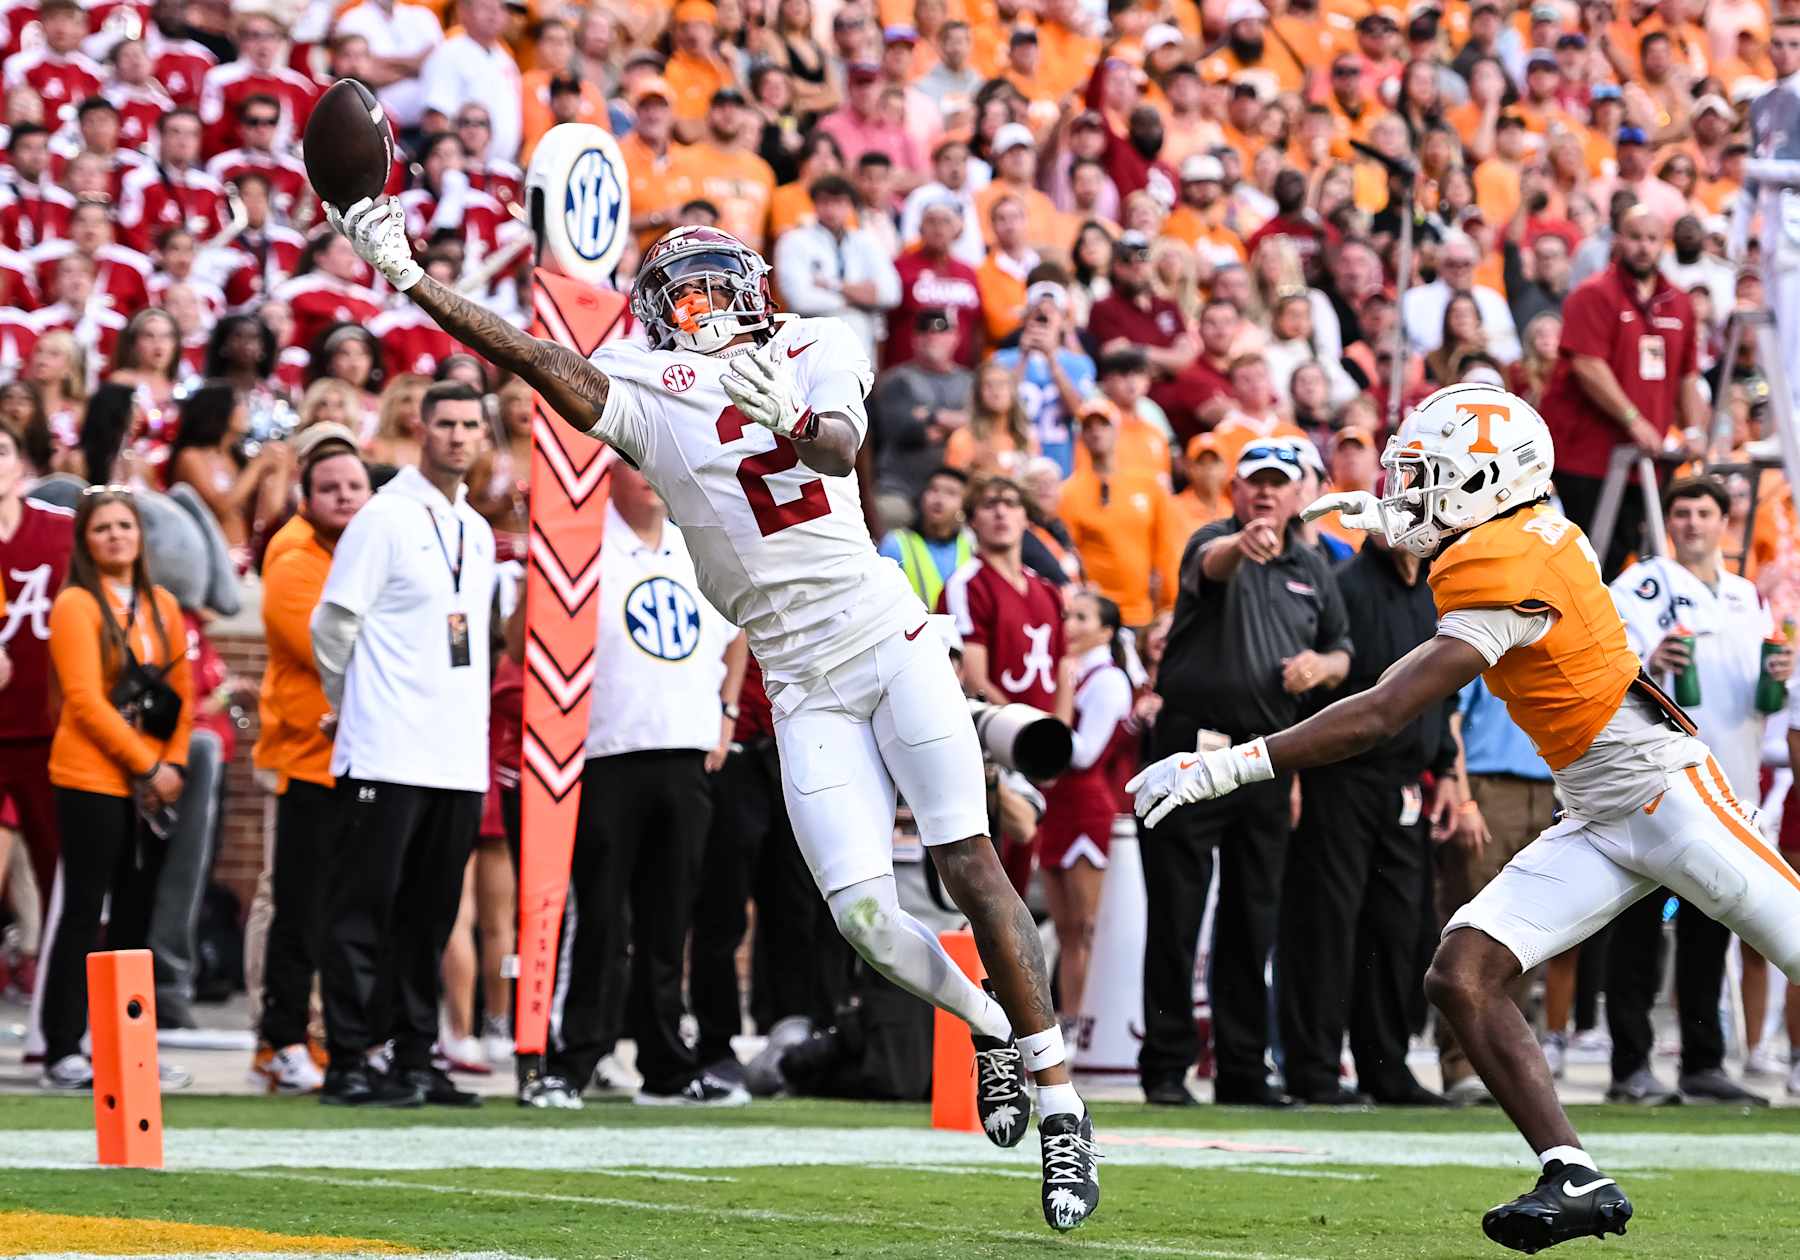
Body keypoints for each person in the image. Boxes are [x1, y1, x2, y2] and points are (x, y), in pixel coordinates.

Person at [327, 202, 1099, 1229]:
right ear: (656, 312)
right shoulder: (649, 391)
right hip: (793, 675)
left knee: (966, 860)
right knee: (865, 919)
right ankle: (993, 1030)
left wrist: (790, 419)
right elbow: (533, 358)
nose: (697, 305)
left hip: (886, 636)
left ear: (749, 285)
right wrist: (415, 282)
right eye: (676, 292)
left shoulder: (820, 341)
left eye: (710, 284)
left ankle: (1063, 1107)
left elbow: (836, 444)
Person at [1129, 383, 1800, 1253]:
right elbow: (1449, 528)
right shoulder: (1520, 530)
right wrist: (1386, 510)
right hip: (1596, 810)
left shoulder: (1502, 569)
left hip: (1668, 798)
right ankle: (1574, 1173)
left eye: (1427, 478)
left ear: (1483, 483)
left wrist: (1227, 763)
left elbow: (1378, 711)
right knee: (1461, 973)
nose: (1410, 494)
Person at [1136, 439, 1351, 1107]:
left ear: (1299, 495)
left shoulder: (1313, 566)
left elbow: (1342, 648)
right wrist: (1244, 542)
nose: (1264, 494)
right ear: (1234, 491)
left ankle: (1242, 1071)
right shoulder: (1215, 539)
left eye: (1277, 484)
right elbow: (1211, 565)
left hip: (1265, 759)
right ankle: (1167, 1069)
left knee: (1252, 919)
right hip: (1195, 751)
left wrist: (1323, 668)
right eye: (1253, 482)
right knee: (1177, 914)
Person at [534, 464, 747, 1107]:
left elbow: (737, 628)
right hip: (605, 752)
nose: (650, 479)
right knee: (598, 916)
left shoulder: (693, 546)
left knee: (668, 920)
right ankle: (570, 1060)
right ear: (608, 477)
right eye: (633, 465)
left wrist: (726, 714)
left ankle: (665, 1063)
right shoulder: (583, 547)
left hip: (686, 754)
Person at [310, 382, 496, 1109]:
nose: (457, 436)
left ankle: (416, 1056)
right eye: (445, 423)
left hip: (454, 754)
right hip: (385, 748)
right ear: (421, 430)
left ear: (483, 437)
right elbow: (333, 623)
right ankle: (350, 1057)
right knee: (363, 909)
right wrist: (348, 701)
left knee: (431, 914)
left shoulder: (475, 530)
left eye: (469, 425)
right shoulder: (382, 517)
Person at [1604, 477, 1786, 1105]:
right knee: (1639, 927)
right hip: (1657, 781)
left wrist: (1782, 674)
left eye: (1703, 512)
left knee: (1715, 925)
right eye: (1681, 512)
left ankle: (1703, 1062)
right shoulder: (1643, 585)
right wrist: (1652, 661)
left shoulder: (1743, 596)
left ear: (1725, 522)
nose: (1690, 523)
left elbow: (1762, 691)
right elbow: (1609, 667)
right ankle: (1630, 1064)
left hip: (1730, 782)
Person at [1277, 525, 1460, 1107]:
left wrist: (1451, 771)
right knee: (1326, 925)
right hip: (1340, 778)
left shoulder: (1435, 592)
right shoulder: (1341, 587)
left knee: (1398, 926)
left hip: (1407, 784)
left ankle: (1388, 1066)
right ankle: (1315, 1069)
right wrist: (1295, 776)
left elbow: (1445, 691)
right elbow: (1305, 695)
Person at [38, 487, 193, 1089]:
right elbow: (84, 701)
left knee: (135, 918)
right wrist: (147, 767)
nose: (116, 536)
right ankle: (62, 1048)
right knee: (83, 910)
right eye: (102, 528)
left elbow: (180, 699)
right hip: (90, 778)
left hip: (152, 785)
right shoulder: (76, 604)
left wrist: (171, 765)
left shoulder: (164, 605)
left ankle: (126, 1048)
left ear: (140, 535)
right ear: (85, 540)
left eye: (125, 526)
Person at [252, 432, 371, 1094]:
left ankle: (341, 1035)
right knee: (298, 909)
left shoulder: (371, 543)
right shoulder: (293, 556)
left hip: (362, 755)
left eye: (354, 486)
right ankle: (282, 1038)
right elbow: (331, 648)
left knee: (350, 910)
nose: (344, 497)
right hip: (308, 756)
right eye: (329, 488)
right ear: (306, 496)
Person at [1538, 207, 1706, 578]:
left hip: (1646, 461)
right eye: (1635, 237)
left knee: (1633, 559)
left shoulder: (1679, 302)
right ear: (1618, 240)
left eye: (1652, 239)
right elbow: (1588, 365)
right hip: (1588, 457)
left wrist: (1693, 430)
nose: (1643, 247)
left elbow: (1687, 375)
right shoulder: (1593, 295)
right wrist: (1634, 420)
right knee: (1592, 562)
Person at [1036, 591, 1134, 1021]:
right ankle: (1072, 1019)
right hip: (1058, 807)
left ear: (1106, 631)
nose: (1070, 625)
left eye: (1081, 617)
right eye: (1067, 616)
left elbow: (1083, 752)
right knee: (1066, 930)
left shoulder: (1108, 680)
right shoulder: (1073, 675)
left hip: (1087, 809)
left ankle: (1094, 1022)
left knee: (1089, 925)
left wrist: (1051, 714)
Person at [0, 421, 73, 923]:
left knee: (61, 880)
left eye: (0, 450)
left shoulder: (64, 528)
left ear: (22, 465)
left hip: (51, 731)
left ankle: (61, 993)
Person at [879, 466, 972, 609]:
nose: (939, 499)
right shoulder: (895, 544)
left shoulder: (972, 546)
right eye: (933, 490)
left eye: (951, 493)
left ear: (964, 506)